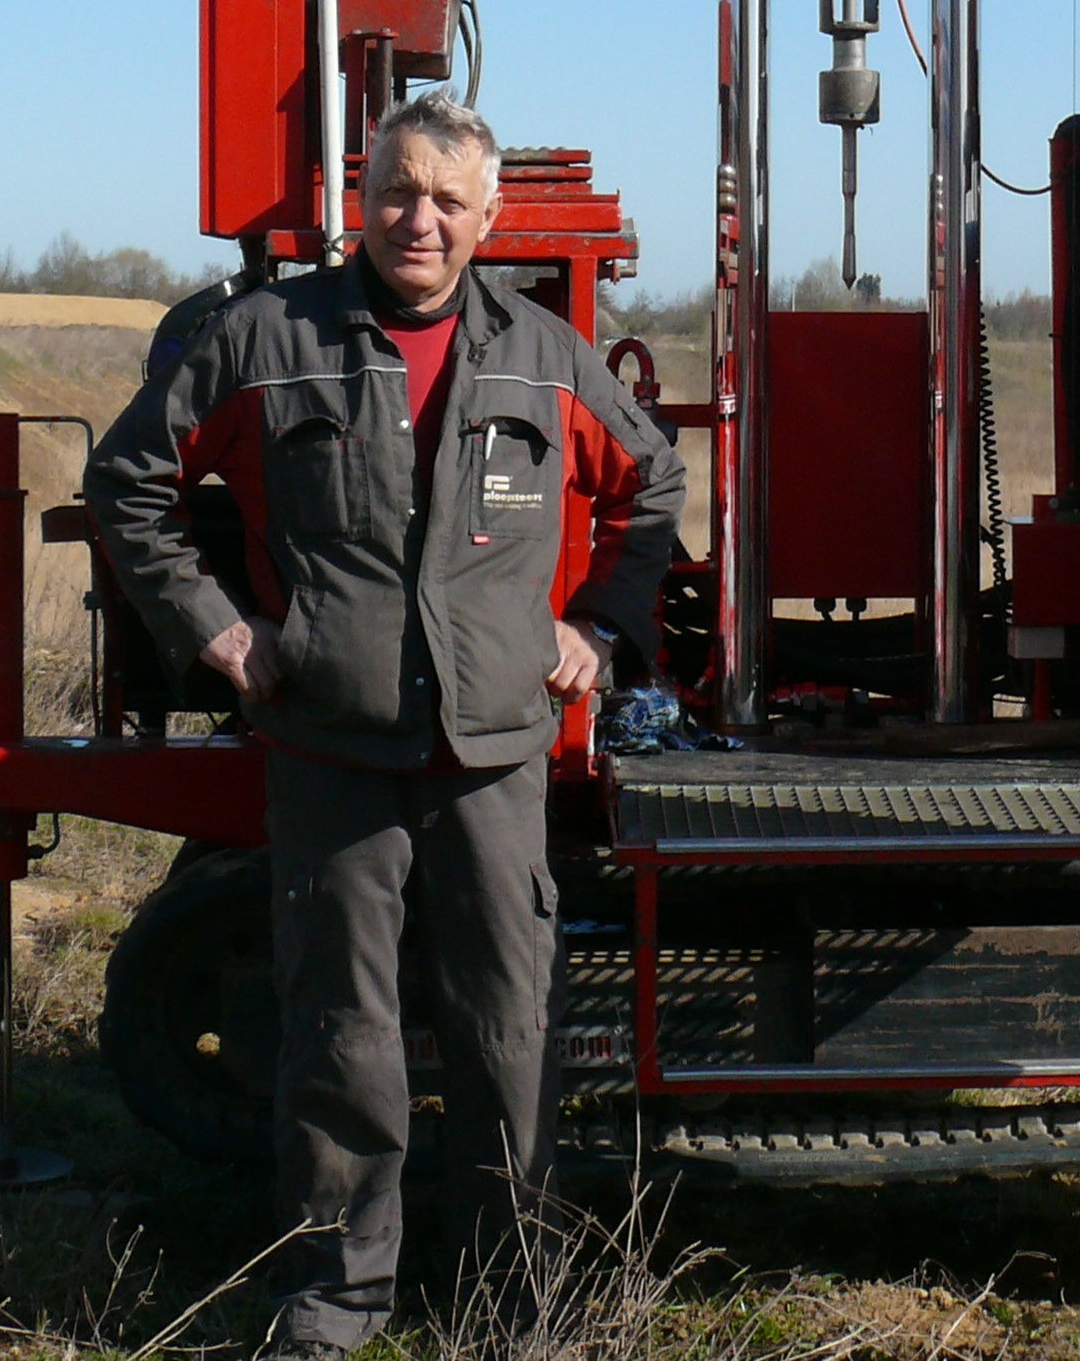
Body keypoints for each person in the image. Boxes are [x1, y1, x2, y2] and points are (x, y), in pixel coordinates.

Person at [85, 91, 685, 1358]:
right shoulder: (263, 336)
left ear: (488, 216)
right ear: (363, 194)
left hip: (494, 753)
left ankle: (512, 1295)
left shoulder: (543, 354)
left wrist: (600, 631)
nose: (422, 218)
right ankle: (335, 1298)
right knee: (342, 1032)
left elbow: (652, 482)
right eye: (399, 191)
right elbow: (130, 476)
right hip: (332, 744)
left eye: (448, 199)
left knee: (510, 1029)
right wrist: (217, 627)